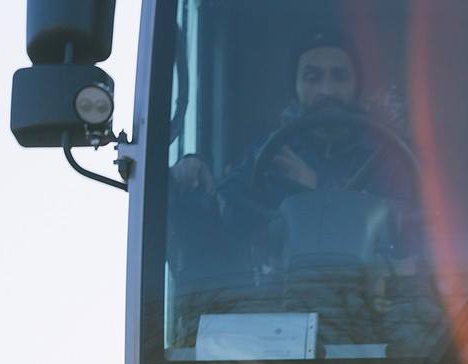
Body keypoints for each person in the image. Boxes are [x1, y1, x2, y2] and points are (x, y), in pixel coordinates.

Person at [170, 30, 411, 239]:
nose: (327, 90)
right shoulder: (270, 154)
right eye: (312, 78)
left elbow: (409, 228)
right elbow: (224, 209)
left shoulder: (387, 156)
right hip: (285, 280)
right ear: (295, 88)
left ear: (356, 86)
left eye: (339, 77)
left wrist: (317, 189)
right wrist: (195, 172)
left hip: (371, 280)